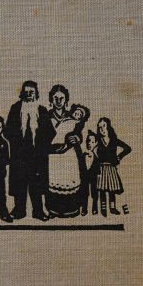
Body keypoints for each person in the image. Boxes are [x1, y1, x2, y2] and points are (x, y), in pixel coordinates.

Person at [4, 80, 54, 221]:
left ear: (36, 94)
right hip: (19, 156)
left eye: (31, 92)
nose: (29, 95)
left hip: (36, 157)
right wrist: (17, 146)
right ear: (22, 94)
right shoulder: (15, 108)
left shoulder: (42, 110)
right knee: (19, 183)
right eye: (26, 92)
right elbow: (7, 131)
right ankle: (19, 211)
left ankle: (38, 211)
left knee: (36, 184)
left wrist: (41, 147)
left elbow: (50, 132)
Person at [45, 85, 88, 218]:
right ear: (51, 100)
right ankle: (54, 210)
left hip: (69, 155)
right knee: (54, 179)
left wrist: (78, 138)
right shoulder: (46, 116)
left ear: (66, 100)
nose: (58, 101)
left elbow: (78, 131)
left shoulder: (72, 115)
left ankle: (71, 210)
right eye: (55, 98)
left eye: (61, 98)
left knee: (69, 178)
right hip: (53, 155)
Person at [95, 117, 131, 217]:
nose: (102, 129)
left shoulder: (114, 140)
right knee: (102, 189)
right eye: (99, 127)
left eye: (104, 126)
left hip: (111, 168)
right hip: (101, 168)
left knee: (112, 189)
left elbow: (128, 148)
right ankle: (103, 209)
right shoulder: (98, 140)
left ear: (108, 127)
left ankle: (112, 208)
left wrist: (119, 157)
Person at [81, 132, 100, 216]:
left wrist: (99, 175)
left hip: (93, 177)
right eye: (88, 141)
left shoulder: (97, 157)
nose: (89, 144)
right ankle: (84, 209)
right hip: (84, 177)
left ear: (95, 143)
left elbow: (98, 168)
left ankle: (95, 208)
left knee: (94, 193)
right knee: (84, 193)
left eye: (92, 142)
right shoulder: (82, 155)